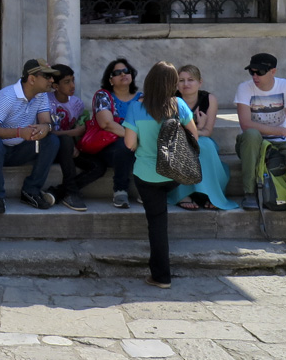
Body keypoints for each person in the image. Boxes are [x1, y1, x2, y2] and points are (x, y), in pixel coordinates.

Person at [123, 61, 199, 289]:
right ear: (173, 84)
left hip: (147, 175)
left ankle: (161, 276)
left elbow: (129, 143)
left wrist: (141, 145)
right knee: (161, 210)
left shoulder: (136, 107)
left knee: (157, 223)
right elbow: (194, 136)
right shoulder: (179, 105)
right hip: (174, 174)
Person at [235, 52, 286, 253]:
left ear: (273, 71)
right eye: (252, 71)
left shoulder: (285, 86)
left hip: (280, 143)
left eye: (260, 72)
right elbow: (246, 124)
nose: (255, 76)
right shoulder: (244, 88)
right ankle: (249, 193)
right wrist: (283, 131)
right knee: (253, 134)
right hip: (251, 143)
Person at [0, 59, 61, 214]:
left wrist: (45, 127)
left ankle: (31, 190)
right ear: (32, 79)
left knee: (52, 141)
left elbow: (46, 122)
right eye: (47, 76)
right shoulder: (7, 96)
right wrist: (20, 132)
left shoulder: (41, 95)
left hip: (18, 149)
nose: (52, 80)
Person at [169, 64, 237, 211]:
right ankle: (183, 194)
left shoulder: (209, 99)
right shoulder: (172, 100)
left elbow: (208, 132)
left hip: (202, 138)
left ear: (200, 82)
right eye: (181, 80)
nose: (186, 84)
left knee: (205, 145)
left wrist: (198, 129)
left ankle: (211, 194)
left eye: (190, 80)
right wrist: (197, 127)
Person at [74, 58, 139, 209]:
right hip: (107, 147)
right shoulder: (103, 96)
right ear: (110, 79)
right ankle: (120, 190)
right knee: (125, 146)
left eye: (126, 71)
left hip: (136, 142)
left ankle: (147, 188)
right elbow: (107, 124)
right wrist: (133, 138)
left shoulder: (141, 98)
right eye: (117, 72)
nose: (123, 74)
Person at [45, 63, 88, 211]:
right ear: (55, 86)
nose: (72, 85)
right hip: (49, 148)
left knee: (98, 167)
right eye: (66, 82)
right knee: (64, 139)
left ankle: (58, 191)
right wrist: (71, 135)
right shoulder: (45, 101)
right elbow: (45, 132)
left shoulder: (77, 104)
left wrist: (75, 138)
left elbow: (77, 128)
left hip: (68, 149)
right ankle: (71, 192)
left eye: (73, 80)